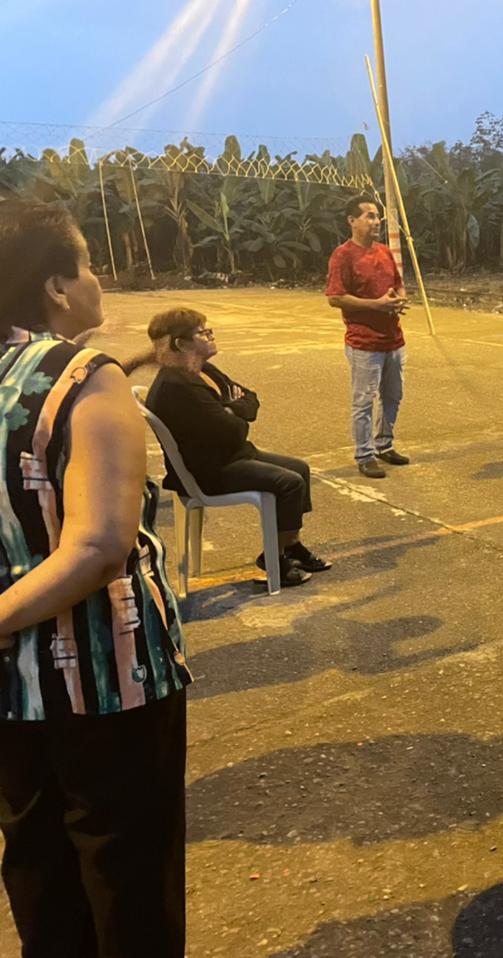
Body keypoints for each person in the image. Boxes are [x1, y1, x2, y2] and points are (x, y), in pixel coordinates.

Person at [0, 201, 191, 956]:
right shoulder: (83, 375)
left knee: (41, 875)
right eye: (85, 264)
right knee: (127, 880)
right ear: (55, 286)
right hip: (107, 681)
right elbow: (99, 545)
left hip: (12, 692)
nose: (96, 278)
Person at [141, 308, 331, 588]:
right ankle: (274, 558)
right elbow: (233, 430)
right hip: (208, 471)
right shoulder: (177, 386)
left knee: (299, 468)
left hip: (230, 455)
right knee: (289, 483)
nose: (211, 335)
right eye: (203, 333)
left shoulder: (203, 370)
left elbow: (250, 398)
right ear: (181, 343)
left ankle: (291, 545)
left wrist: (232, 408)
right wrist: (233, 410)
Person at [325, 195, 410, 478]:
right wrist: (376, 305)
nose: (376, 221)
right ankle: (364, 454)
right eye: (370, 216)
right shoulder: (343, 255)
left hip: (394, 340)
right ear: (352, 221)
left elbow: (398, 284)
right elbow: (335, 297)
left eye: (378, 216)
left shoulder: (384, 251)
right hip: (364, 343)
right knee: (364, 401)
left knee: (393, 396)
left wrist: (399, 300)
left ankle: (384, 444)